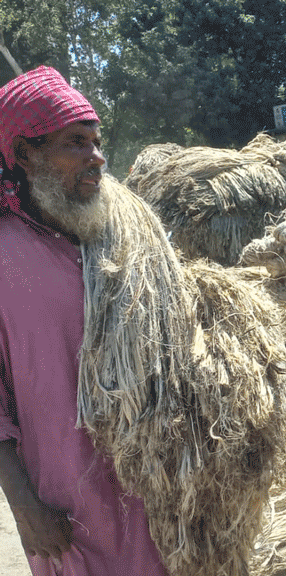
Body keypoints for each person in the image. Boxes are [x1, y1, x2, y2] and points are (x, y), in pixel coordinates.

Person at [0, 67, 167, 575]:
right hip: (66, 508)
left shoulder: (118, 240)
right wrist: (23, 506)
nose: (97, 158)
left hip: (153, 495)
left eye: (98, 142)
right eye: (76, 142)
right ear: (24, 155)